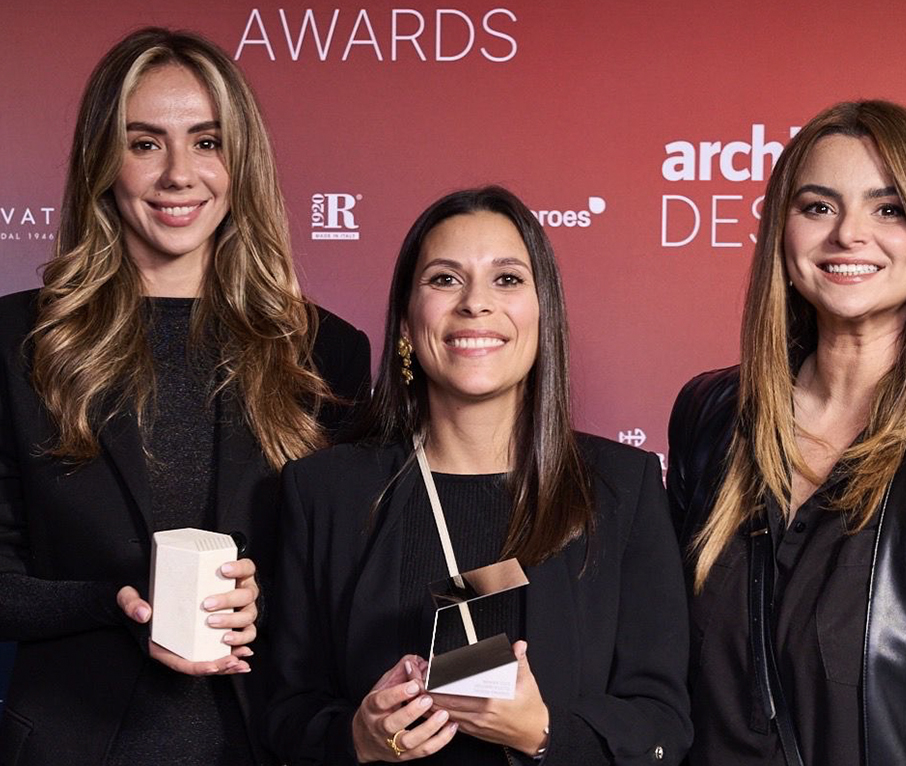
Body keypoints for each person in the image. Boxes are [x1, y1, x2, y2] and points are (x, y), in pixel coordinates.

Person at [0, 28, 370, 765]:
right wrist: (119, 598)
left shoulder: (324, 352)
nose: (179, 174)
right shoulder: (18, 342)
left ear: (241, 163)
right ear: (102, 162)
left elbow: (350, 590)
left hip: (266, 744)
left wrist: (269, 601)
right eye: (144, 143)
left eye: (207, 142)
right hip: (74, 743)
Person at [265, 186, 692, 765]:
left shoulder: (623, 488)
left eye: (508, 280)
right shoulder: (325, 492)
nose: (475, 304)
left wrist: (543, 732)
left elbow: (663, 721)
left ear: (544, 313)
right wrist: (358, 740)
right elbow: (283, 715)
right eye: (444, 279)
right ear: (408, 324)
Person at [667, 99, 906, 765]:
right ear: (783, 230)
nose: (849, 235)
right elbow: (657, 668)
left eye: (888, 208)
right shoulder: (710, 415)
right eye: (818, 207)